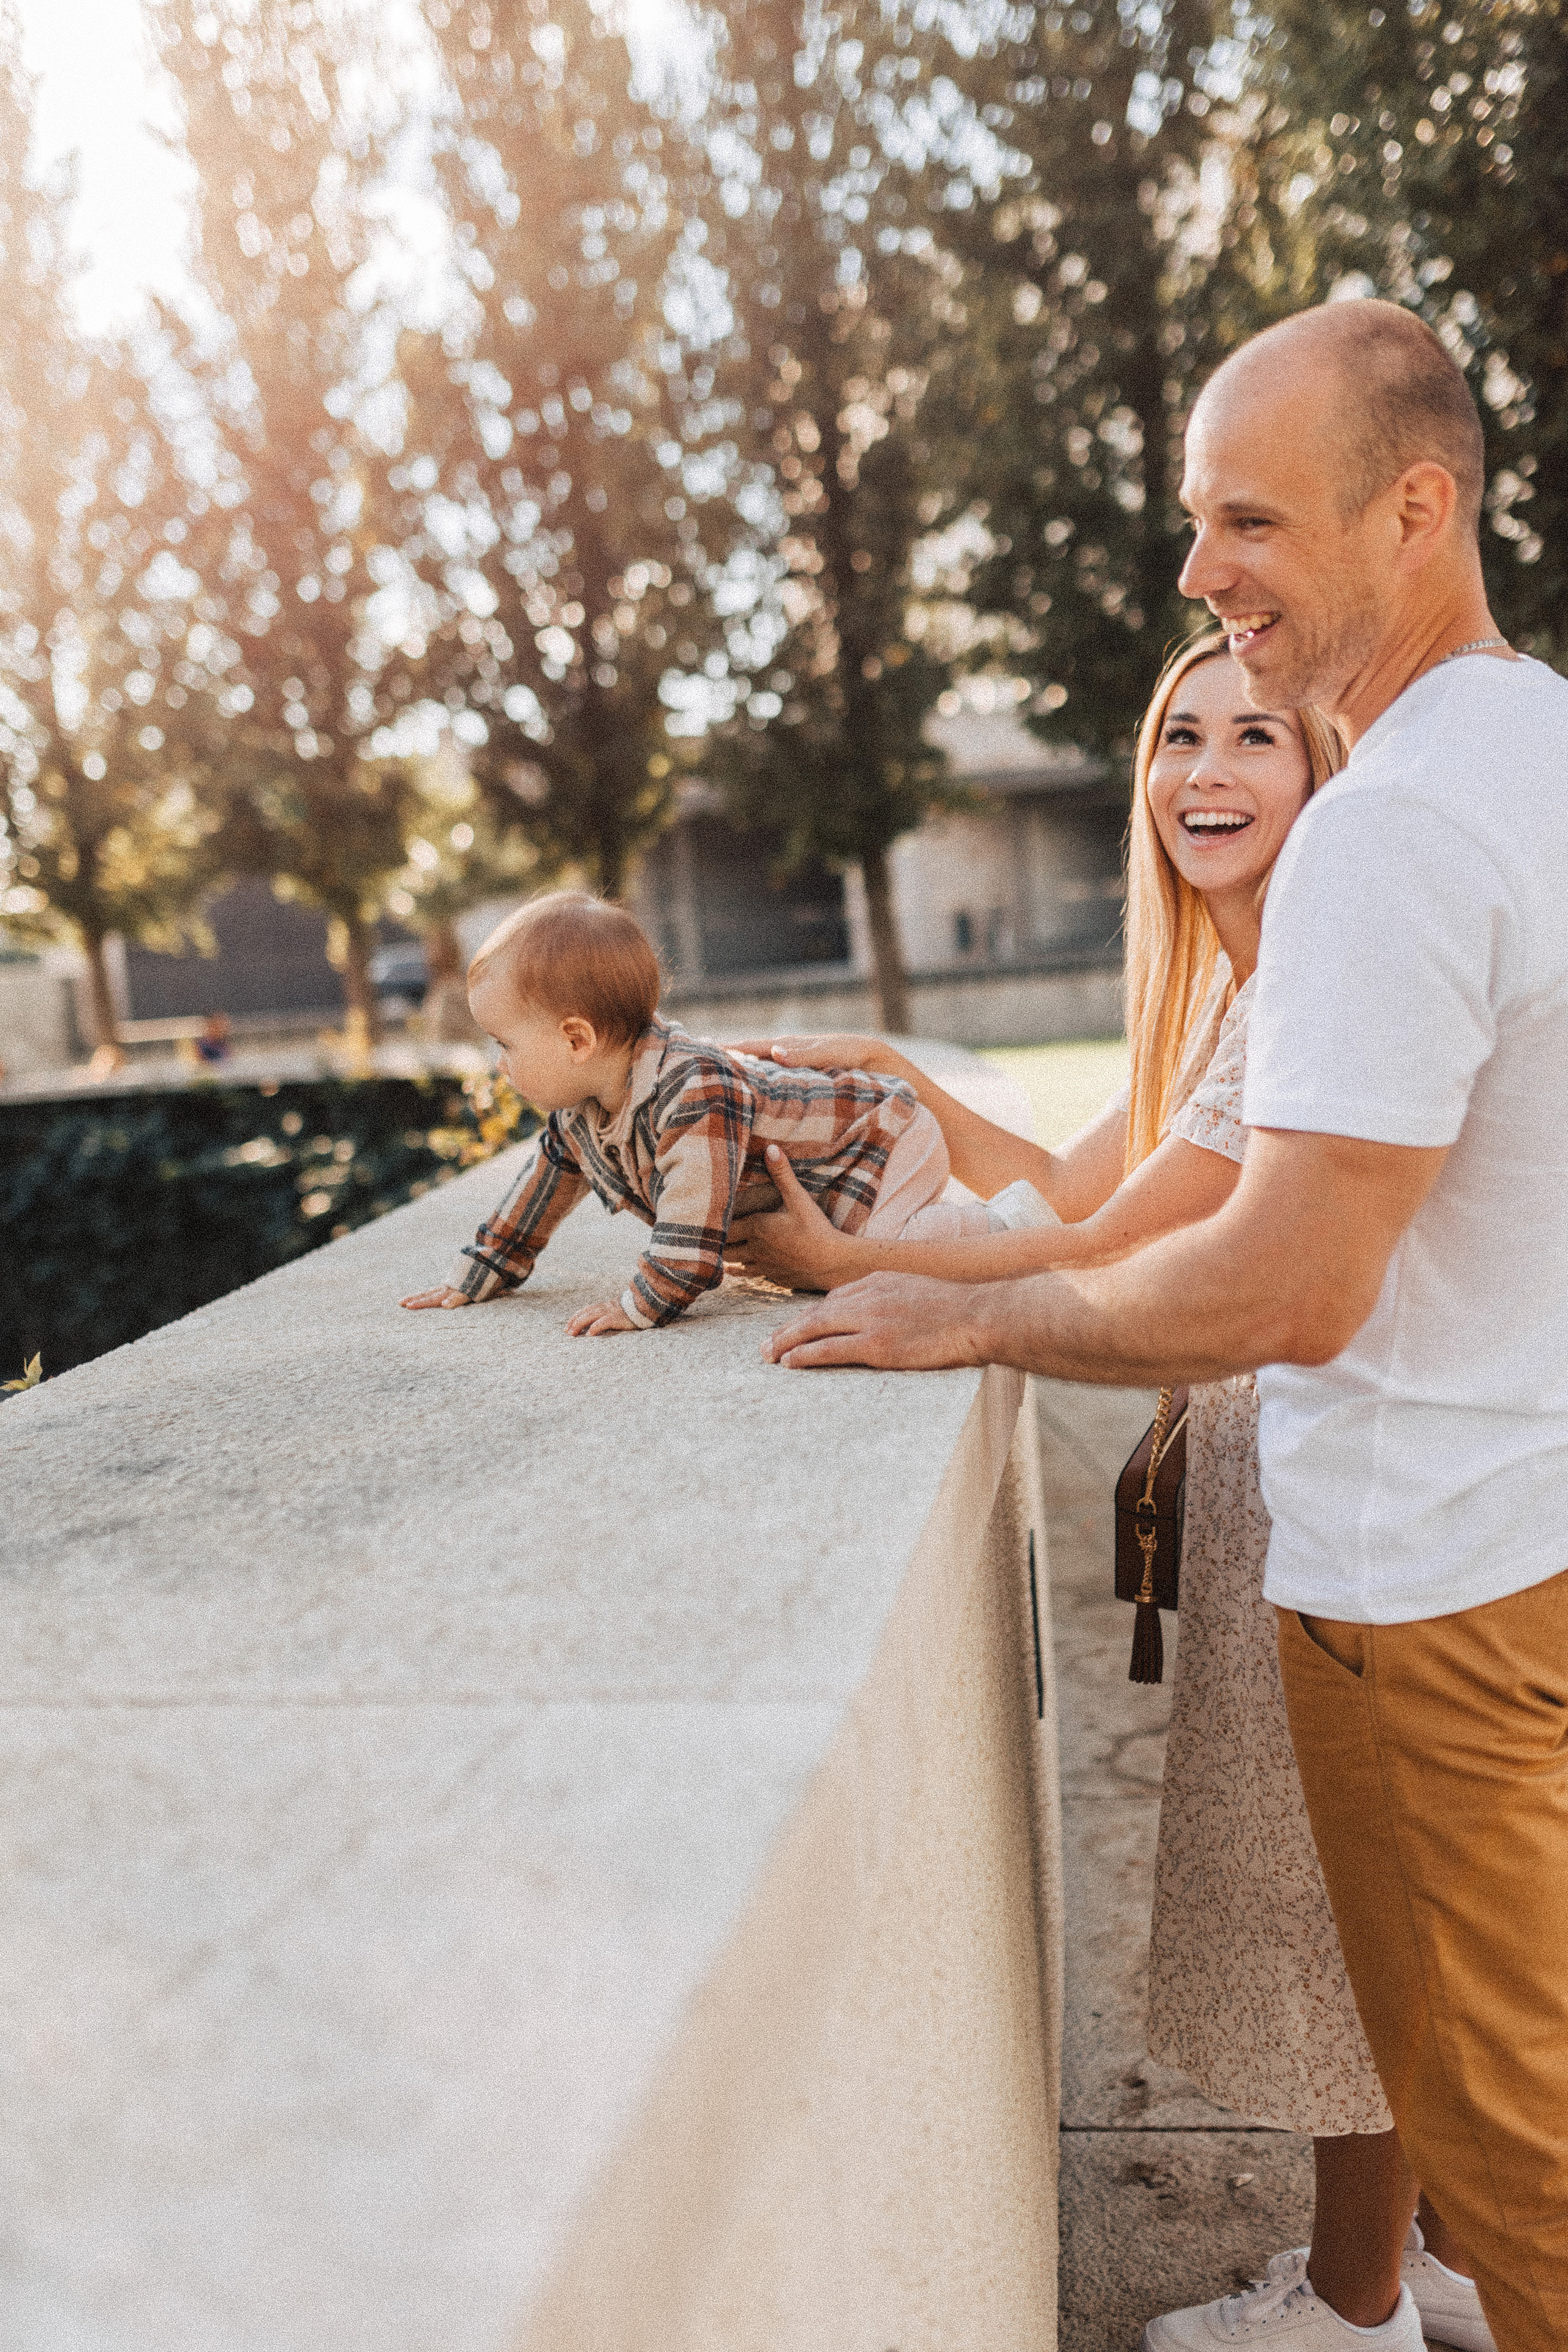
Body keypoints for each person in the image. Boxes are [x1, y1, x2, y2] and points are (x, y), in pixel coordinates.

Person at [760, 300, 1568, 2352]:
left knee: (1532, 2179)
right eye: (1199, 521)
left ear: (1417, 509)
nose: (1201, 572)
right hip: (1520, 1536)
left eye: (1249, 521)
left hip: (1444, 1586)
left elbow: (1292, 1277)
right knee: (1494, 2134)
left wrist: (980, 1325)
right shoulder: (1541, 749)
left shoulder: (1394, 821)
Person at [399, 889, 998, 1336]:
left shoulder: (694, 1091)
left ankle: (993, 1233)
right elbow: (535, 1198)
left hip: (880, 1139)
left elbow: (689, 1239)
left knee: (882, 1261)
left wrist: (639, 1305)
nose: (500, 1064)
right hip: (827, 1169)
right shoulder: (579, 1115)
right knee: (840, 1262)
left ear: (577, 1040)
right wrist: (480, 1273)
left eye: (504, 1044)